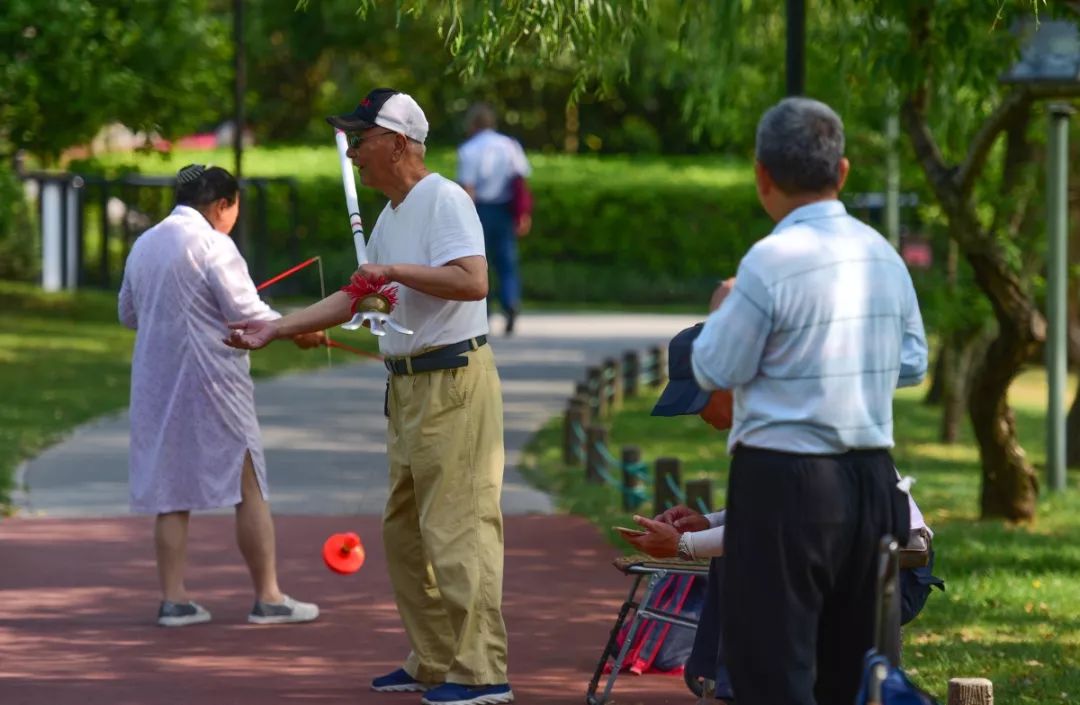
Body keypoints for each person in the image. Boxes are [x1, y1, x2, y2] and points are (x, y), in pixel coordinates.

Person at [225, 88, 513, 705]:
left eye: (361, 138)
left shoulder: (444, 199)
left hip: (453, 380)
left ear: (398, 143)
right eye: (351, 139)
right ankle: (435, 660)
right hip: (409, 387)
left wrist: (397, 274)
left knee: (458, 528)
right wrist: (278, 327)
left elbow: (474, 280)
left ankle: (483, 672)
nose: (353, 151)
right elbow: (357, 295)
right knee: (405, 533)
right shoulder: (392, 214)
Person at [682, 97, 928, 705]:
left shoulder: (768, 262)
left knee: (774, 671)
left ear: (762, 175)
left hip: (786, 479)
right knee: (849, 672)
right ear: (841, 172)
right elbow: (915, 361)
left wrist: (722, 310)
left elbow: (715, 366)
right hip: (874, 481)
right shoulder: (884, 256)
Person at [118, 164, 323, 628]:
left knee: (170, 488)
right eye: (234, 210)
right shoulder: (214, 243)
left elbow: (129, 313)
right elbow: (247, 313)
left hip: (157, 378)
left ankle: (174, 600)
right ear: (221, 205)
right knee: (247, 480)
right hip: (214, 378)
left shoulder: (145, 243)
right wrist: (300, 329)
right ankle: (268, 597)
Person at [457, 102, 532, 336]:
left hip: (480, 209)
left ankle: (484, 312)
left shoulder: (469, 149)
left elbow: (468, 187)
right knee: (507, 262)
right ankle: (511, 303)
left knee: (479, 263)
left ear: (473, 124)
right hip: (505, 208)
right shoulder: (509, 145)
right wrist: (523, 213)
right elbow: (520, 180)